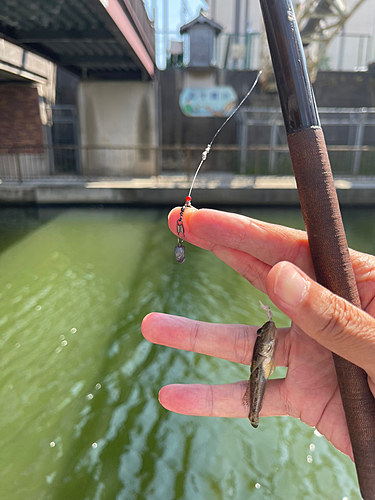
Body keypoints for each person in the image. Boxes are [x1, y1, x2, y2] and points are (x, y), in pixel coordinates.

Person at [141, 206, 375, 461]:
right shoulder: (268, 347)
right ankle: (254, 412)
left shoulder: (269, 346)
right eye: (263, 333)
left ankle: (254, 411)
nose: (266, 333)